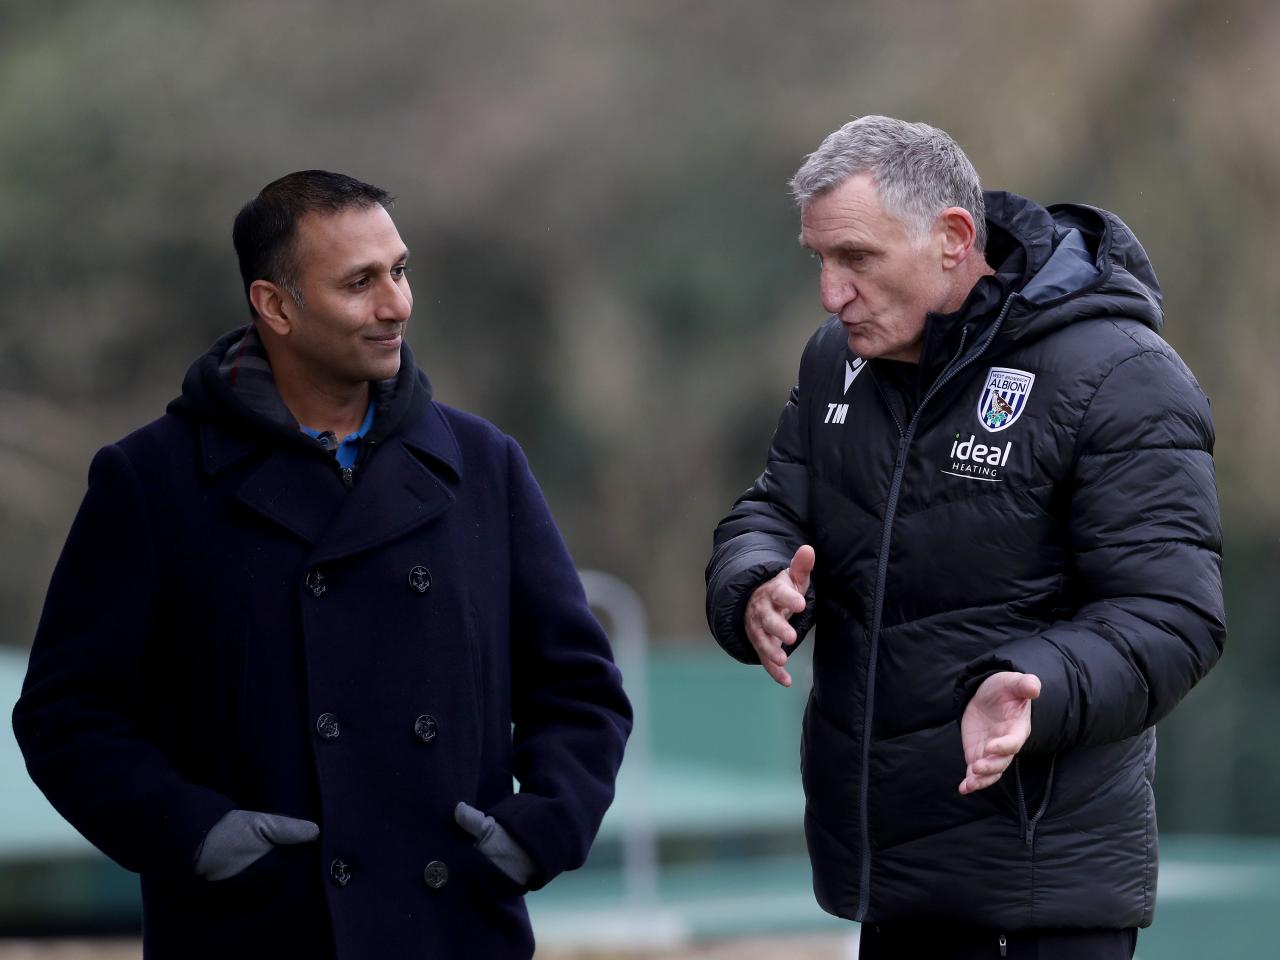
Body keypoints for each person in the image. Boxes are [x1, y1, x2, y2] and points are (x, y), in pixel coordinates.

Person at [13, 170, 632, 959]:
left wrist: (539, 827)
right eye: (360, 283)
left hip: (453, 926)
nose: (397, 305)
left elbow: (580, 691)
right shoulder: (152, 480)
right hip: (254, 932)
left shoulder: (483, 464)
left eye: (400, 271)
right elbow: (67, 716)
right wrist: (197, 835)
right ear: (275, 305)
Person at [705, 117, 1224, 959]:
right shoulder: (835, 360)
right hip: (891, 883)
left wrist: (1036, 685)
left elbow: (1173, 617)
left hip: (1040, 894)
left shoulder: (1123, 377)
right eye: (821, 261)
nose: (832, 295)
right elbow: (774, 506)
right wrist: (755, 580)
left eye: (858, 259)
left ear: (951, 237)